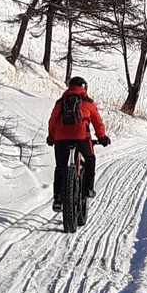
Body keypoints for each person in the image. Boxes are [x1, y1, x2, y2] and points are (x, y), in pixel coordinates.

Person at [45, 75, 110, 220]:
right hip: (82, 137)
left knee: (61, 167)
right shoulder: (88, 102)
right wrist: (102, 138)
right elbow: (97, 122)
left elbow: (52, 121)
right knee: (90, 158)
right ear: (84, 88)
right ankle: (88, 189)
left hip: (61, 138)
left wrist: (52, 137)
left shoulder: (60, 102)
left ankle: (57, 198)